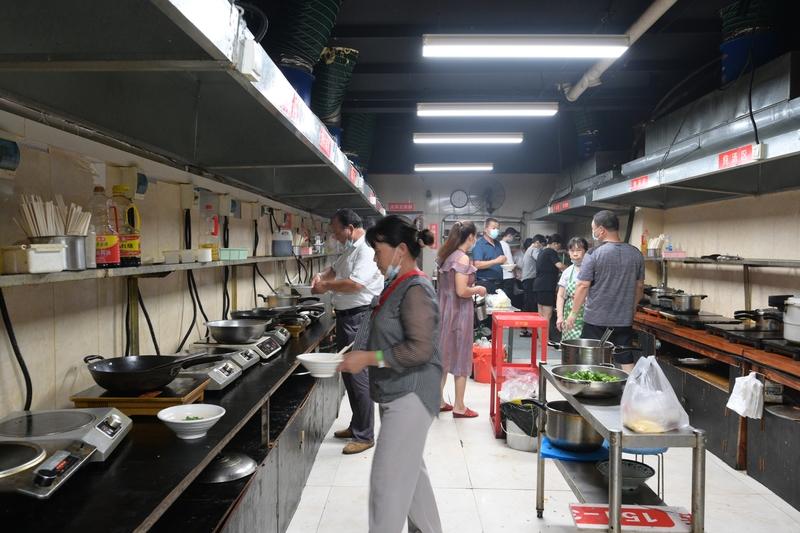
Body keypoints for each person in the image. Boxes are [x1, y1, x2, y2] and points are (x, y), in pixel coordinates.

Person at [338, 215, 443, 533]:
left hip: (412, 394)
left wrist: (369, 358)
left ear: (400, 250)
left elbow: (420, 350)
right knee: (411, 477)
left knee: (387, 486)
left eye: (378, 250)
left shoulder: (417, 288)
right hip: (397, 391)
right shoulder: (396, 284)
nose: (374, 259)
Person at [312, 209, 383, 454]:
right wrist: (321, 276)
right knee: (349, 375)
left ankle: (365, 436)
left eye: (336, 231)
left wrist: (326, 286)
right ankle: (357, 425)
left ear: (350, 228)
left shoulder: (366, 250)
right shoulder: (350, 249)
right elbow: (334, 270)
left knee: (358, 376)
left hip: (360, 317)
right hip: (346, 318)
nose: (335, 236)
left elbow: (355, 284)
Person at [564, 210, 645, 372]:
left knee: (590, 358)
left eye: (593, 229)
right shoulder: (636, 253)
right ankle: (632, 387)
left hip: (596, 319)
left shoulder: (594, 253)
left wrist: (573, 313)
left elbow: (582, 285)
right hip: (623, 319)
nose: (593, 232)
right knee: (625, 356)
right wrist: (631, 308)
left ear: (601, 230)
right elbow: (640, 287)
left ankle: (591, 387)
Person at [437, 221, 486, 418]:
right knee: (462, 357)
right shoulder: (462, 258)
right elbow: (461, 290)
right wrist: (478, 289)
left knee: (443, 357)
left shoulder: (446, 256)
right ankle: (459, 406)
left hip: (444, 311)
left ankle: (438, 401)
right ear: (471, 237)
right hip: (459, 313)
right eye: (476, 236)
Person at [532, 234, 566, 346]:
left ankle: (541, 340)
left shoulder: (542, 252)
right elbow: (560, 265)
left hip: (538, 285)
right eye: (559, 246)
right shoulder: (551, 252)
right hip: (547, 286)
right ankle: (545, 341)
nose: (558, 249)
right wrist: (570, 270)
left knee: (540, 315)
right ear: (555, 244)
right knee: (547, 315)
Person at [555, 237, 589, 341]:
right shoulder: (567, 272)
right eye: (572, 251)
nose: (575, 254)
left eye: (578, 250)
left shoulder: (592, 270)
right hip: (569, 314)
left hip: (588, 315)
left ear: (585, 252)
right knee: (569, 346)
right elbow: (561, 296)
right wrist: (560, 316)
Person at [519, 234, 546, 337]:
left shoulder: (529, 249)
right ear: (537, 243)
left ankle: (525, 329)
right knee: (530, 304)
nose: (542, 247)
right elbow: (540, 259)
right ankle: (531, 329)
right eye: (542, 245)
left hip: (527, 279)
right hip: (530, 279)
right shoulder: (534, 249)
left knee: (527, 303)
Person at [472, 217, 506, 295]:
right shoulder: (479, 244)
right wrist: (495, 261)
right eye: (493, 228)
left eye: (497, 229)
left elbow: (501, 260)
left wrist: (505, 263)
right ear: (485, 229)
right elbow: (477, 265)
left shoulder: (498, 243)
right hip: (485, 283)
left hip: (499, 282)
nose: (496, 231)